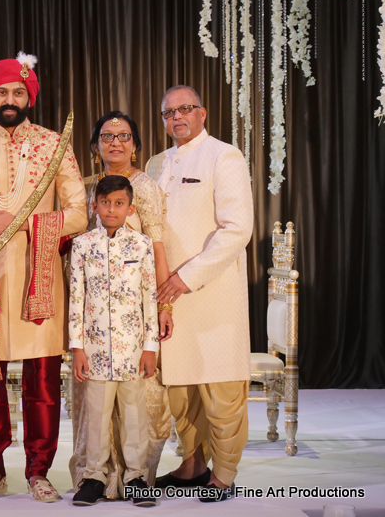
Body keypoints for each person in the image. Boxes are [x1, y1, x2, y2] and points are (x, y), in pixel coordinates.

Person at [0, 53, 87, 502]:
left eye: (19, 93)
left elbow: (81, 215)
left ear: (30, 97)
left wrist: (25, 222)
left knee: (42, 383)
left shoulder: (54, 145)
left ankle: (38, 471)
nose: (10, 100)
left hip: (37, 279)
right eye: (2, 92)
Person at [146, 85, 253, 502]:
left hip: (211, 293)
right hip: (166, 297)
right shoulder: (156, 163)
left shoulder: (224, 155)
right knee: (181, 389)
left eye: (185, 109)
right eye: (168, 112)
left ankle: (224, 475)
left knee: (221, 389)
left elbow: (236, 229)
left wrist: (187, 277)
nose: (176, 118)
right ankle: (192, 464)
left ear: (202, 113)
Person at [69, 111, 174, 498]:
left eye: (124, 135)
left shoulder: (144, 194)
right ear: (96, 144)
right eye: (107, 135)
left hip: (133, 338)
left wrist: (165, 308)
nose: (116, 142)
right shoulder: (86, 198)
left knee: (134, 410)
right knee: (95, 413)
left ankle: (134, 477)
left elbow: (157, 252)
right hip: (95, 340)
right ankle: (94, 476)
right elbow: (76, 296)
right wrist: (76, 343)